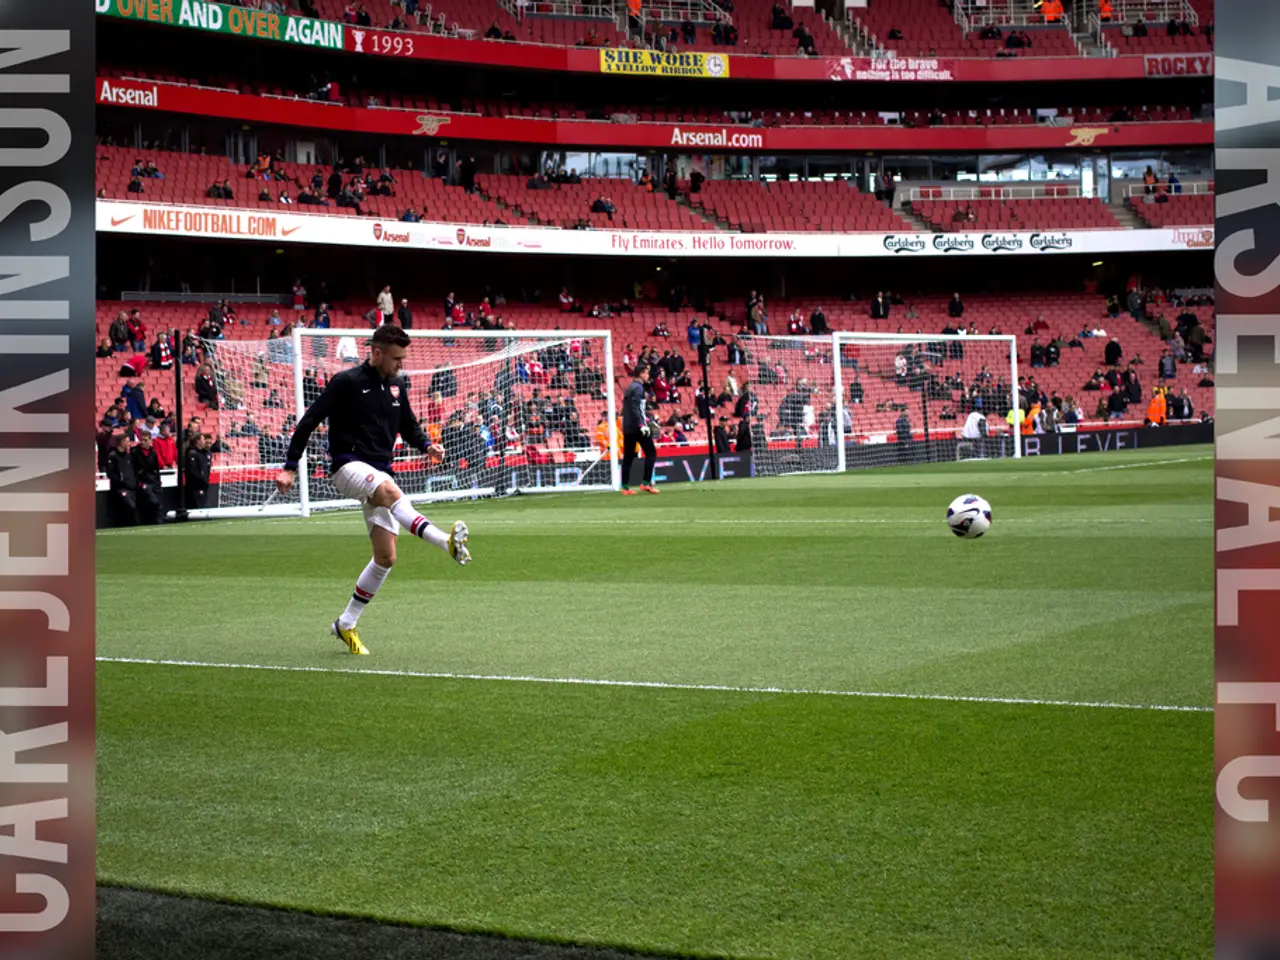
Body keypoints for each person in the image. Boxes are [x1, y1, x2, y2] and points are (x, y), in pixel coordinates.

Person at [274, 324, 471, 656]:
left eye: (403, 358)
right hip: (347, 465)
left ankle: (346, 624)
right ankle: (444, 542)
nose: (401, 365)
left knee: (386, 557)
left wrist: (426, 445)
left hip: (380, 473)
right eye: (396, 358)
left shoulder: (396, 385)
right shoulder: (347, 383)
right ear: (376, 353)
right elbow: (309, 421)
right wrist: (290, 467)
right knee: (391, 491)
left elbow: (407, 424)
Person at [619, 364, 658, 495]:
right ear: (641, 374)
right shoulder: (639, 388)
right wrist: (642, 424)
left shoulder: (629, 387)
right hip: (637, 427)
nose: (648, 376)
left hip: (628, 427)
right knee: (651, 452)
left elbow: (629, 409)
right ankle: (646, 483)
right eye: (646, 373)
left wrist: (645, 420)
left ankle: (625, 487)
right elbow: (637, 408)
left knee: (628, 457)